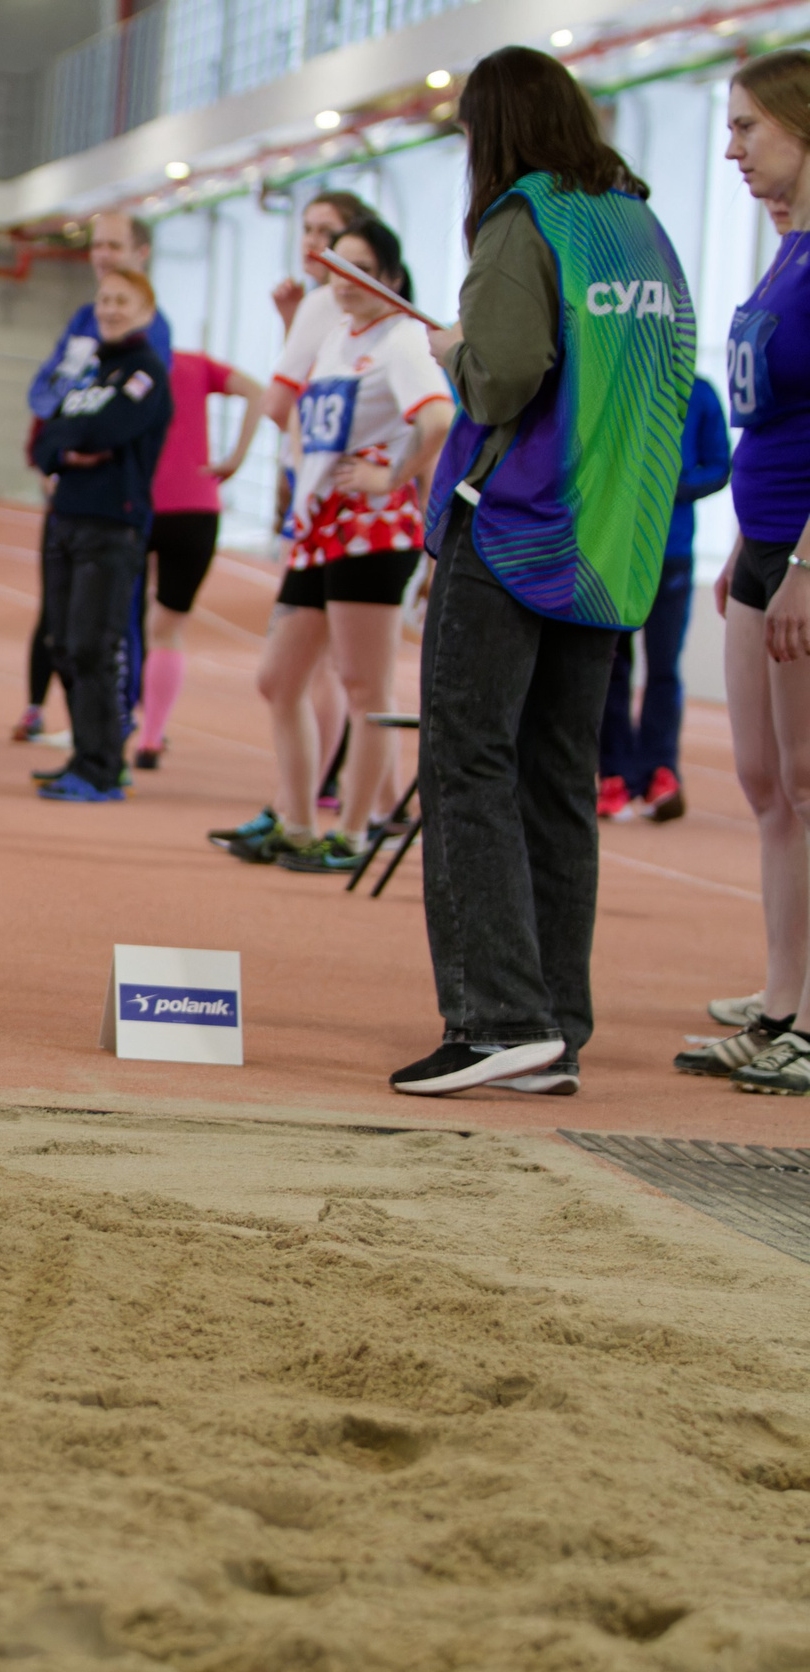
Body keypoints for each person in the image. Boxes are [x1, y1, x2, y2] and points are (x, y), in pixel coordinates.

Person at [392, 46, 696, 1097]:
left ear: (493, 131)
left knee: (468, 761)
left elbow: (504, 377)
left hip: (518, 525)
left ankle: (495, 1018)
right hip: (610, 540)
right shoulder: (638, 224)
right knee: (559, 775)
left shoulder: (521, 221)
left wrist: (451, 350)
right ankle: (552, 1020)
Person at [221, 219, 450, 871]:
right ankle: (295, 820)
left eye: (363, 269)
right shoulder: (336, 339)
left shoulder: (403, 341)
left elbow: (438, 419)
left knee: (364, 686)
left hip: (370, 529)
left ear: (393, 280)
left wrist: (393, 476)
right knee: (279, 677)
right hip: (319, 526)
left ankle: (352, 833)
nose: (345, 281)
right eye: (337, 267)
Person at [686, 61, 810, 1093]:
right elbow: (768, 416)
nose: (732, 148)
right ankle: (779, 999)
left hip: (807, 551)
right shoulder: (781, 257)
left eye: (746, 127)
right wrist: (745, 544)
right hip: (763, 541)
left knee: (809, 787)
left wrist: (806, 555)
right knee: (767, 786)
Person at [17, 212, 174, 744]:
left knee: (105, 631)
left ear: (140, 254)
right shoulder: (83, 319)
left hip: (115, 508)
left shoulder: (152, 341)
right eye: (96, 247)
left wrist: (74, 434)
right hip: (69, 505)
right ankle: (85, 739)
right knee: (65, 631)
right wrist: (64, 444)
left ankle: (113, 735)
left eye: (114, 244)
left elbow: (120, 422)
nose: (102, 255)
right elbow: (44, 401)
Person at [598, 375, 728, 824]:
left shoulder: (701, 394)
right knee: (613, 665)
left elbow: (719, 466)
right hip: (617, 554)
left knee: (664, 668)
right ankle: (613, 771)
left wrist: (672, 484)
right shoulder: (621, 383)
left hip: (671, 554)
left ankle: (659, 770)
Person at [135, 347, 262, 769]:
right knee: (167, 630)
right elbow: (257, 391)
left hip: (137, 508)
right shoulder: (192, 362)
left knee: (123, 623)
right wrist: (234, 460)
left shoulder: (129, 364)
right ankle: (151, 736)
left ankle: (120, 724)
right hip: (196, 508)